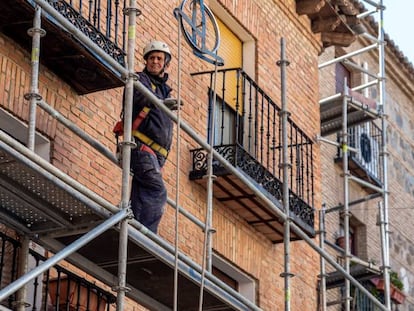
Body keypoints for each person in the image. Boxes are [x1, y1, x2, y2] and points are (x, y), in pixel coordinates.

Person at [124, 40, 176, 233]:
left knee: (141, 194)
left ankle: (135, 230)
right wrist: (160, 103)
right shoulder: (140, 80)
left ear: (166, 63)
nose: (155, 61)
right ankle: (148, 236)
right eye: (152, 58)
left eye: (159, 58)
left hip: (156, 154)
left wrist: (164, 100)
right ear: (146, 60)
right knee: (156, 190)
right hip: (141, 147)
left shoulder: (163, 89)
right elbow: (137, 98)